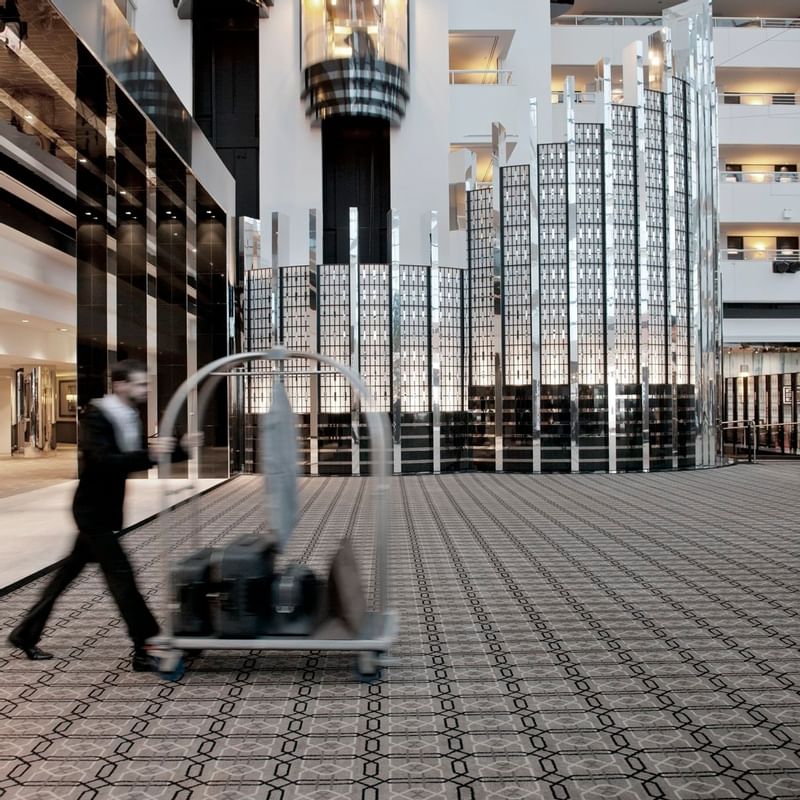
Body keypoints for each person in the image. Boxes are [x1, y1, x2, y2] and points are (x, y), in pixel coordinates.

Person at [7, 360, 195, 671]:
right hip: (92, 512)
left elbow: (132, 458)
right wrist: (155, 453)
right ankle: (144, 646)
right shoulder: (96, 415)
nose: (144, 389)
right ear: (120, 385)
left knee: (66, 575)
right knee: (123, 579)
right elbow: (105, 460)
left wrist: (180, 450)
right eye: (138, 384)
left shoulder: (128, 415)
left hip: (106, 509)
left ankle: (24, 634)